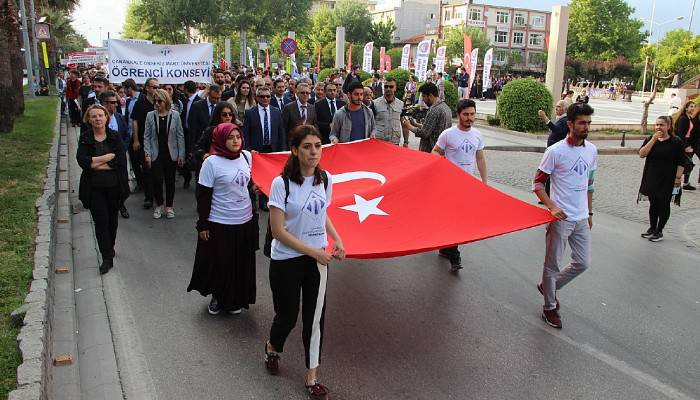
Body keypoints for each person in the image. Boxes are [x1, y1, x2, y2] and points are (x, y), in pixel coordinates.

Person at [264, 125, 345, 400]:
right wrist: (313, 252)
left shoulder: (326, 179)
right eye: (307, 146)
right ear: (295, 150)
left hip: (317, 261)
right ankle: (273, 347)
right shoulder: (281, 183)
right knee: (287, 316)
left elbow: (321, 212)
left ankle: (312, 376)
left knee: (315, 319)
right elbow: (278, 231)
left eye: (318, 146)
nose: (313, 152)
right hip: (286, 260)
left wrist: (337, 239)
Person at [532, 103, 597, 329]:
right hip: (560, 218)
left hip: (580, 218)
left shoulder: (591, 150)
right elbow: (538, 183)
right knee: (552, 265)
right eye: (582, 122)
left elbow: (589, 184)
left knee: (583, 263)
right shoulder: (555, 151)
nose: (586, 126)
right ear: (570, 124)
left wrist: (589, 212)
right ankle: (549, 307)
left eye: (589, 122)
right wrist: (551, 206)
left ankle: (548, 286)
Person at [187, 122, 258, 315]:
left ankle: (236, 299)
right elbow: (203, 196)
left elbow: (248, 182)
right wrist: (203, 225)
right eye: (230, 138)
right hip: (220, 222)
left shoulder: (246, 156)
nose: (236, 141)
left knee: (240, 263)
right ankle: (218, 297)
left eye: (238, 137)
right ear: (220, 140)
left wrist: (254, 187)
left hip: (244, 220)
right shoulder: (211, 163)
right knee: (221, 263)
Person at [431, 99, 487, 270]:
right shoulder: (448, 134)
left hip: (467, 184)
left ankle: (445, 248)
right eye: (466, 115)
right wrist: (440, 165)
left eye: (472, 114)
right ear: (458, 115)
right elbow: (435, 151)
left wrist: (484, 182)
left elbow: (480, 157)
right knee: (452, 218)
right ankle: (455, 256)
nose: (469, 118)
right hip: (449, 185)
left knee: (457, 219)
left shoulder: (477, 134)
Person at [76, 105, 130, 274]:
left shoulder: (114, 137)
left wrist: (95, 163)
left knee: (112, 221)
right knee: (101, 222)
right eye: (94, 116)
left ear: (106, 117)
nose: (98, 119)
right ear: (89, 119)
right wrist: (106, 158)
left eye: (100, 115)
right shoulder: (85, 138)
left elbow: (119, 161)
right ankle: (106, 257)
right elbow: (83, 162)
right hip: (94, 188)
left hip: (114, 187)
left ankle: (110, 246)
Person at [638, 115, 686, 242]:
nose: (658, 127)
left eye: (662, 125)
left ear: (669, 126)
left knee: (664, 204)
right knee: (653, 203)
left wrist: (677, 178)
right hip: (652, 176)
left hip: (668, 178)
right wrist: (653, 140)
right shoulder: (650, 139)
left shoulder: (676, 142)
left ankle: (659, 231)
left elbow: (682, 162)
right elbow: (642, 154)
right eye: (657, 124)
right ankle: (652, 228)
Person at [243, 86, 287, 211]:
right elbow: (245, 133)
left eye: (268, 96)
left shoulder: (276, 111)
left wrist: (282, 150)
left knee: (269, 176)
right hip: (256, 151)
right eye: (262, 96)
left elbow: (281, 132)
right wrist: (248, 149)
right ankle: (251, 201)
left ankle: (265, 200)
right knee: (254, 177)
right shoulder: (250, 113)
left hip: (272, 151)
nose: (265, 99)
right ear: (257, 97)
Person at [144, 89, 186, 219]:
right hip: (156, 153)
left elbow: (180, 135)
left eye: (159, 101)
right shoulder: (150, 115)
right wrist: (147, 153)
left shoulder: (175, 115)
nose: (157, 104)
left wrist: (181, 154)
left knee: (170, 181)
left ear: (166, 101)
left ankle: (169, 206)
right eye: (155, 101)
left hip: (171, 154)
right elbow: (147, 136)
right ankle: (159, 205)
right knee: (157, 180)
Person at [100, 90, 131, 219]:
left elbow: (126, 135)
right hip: (104, 158)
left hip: (120, 157)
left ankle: (121, 204)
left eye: (116, 102)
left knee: (123, 184)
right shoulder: (99, 118)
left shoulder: (119, 117)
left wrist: (122, 148)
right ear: (105, 104)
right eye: (113, 103)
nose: (116, 105)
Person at [130, 77, 159, 209]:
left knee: (158, 170)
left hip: (158, 142)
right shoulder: (140, 103)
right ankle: (149, 197)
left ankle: (158, 196)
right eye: (153, 87)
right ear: (147, 88)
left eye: (158, 87)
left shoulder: (160, 102)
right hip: (144, 141)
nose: (156, 89)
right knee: (147, 170)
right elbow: (134, 121)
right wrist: (136, 140)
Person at [402, 82, 452, 153]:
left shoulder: (434, 110)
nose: (422, 99)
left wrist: (409, 126)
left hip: (431, 151)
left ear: (430, 95)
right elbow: (432, 128)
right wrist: (415, 124)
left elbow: (424, 133)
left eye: (423, 96)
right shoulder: (446, 108)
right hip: (442, 151)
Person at [372, 77, 405, 146]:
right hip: (378, 142)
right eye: (386, 86)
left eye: (391, 86)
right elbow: (369, 123)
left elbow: (404, 124)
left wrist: (406, 142)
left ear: (395, 88)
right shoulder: (375, 103)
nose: (388, 89)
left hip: (394, 142)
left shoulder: (401, 104)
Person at [180, 80, 201, 189]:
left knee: (193, 156)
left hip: (195, 134)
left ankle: (198, 179)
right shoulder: (182, 101)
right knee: (182, 156)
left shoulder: (200, 102)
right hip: (183, 132)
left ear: (186, 89)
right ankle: (186, 176)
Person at [675, 101, 699, 190]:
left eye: (694, 107)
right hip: (683, 144)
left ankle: (685, 183)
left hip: (689, 144)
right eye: (691, 106)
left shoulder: (690, 118)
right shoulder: (683, 119)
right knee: (683, 164)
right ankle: (678, 183)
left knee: (688, 164)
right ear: (686, 108)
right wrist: (685, 146)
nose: (693, 108)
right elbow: (681, 134)